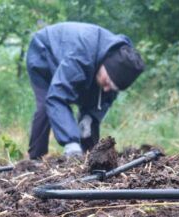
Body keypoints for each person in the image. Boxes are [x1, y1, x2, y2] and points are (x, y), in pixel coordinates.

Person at [26, 22, 145, 159]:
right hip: (44, 53)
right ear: (104, 65)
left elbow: (104, 100)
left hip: (85, 64)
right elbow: (56, 96)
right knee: (46, 107)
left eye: (112, 87)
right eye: (107, 82)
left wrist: (90, 117)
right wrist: (70, 141)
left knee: (90, 116)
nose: (107, 88)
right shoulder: (82, 57)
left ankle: (90, 156)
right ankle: (35, 158)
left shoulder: (119, 64)